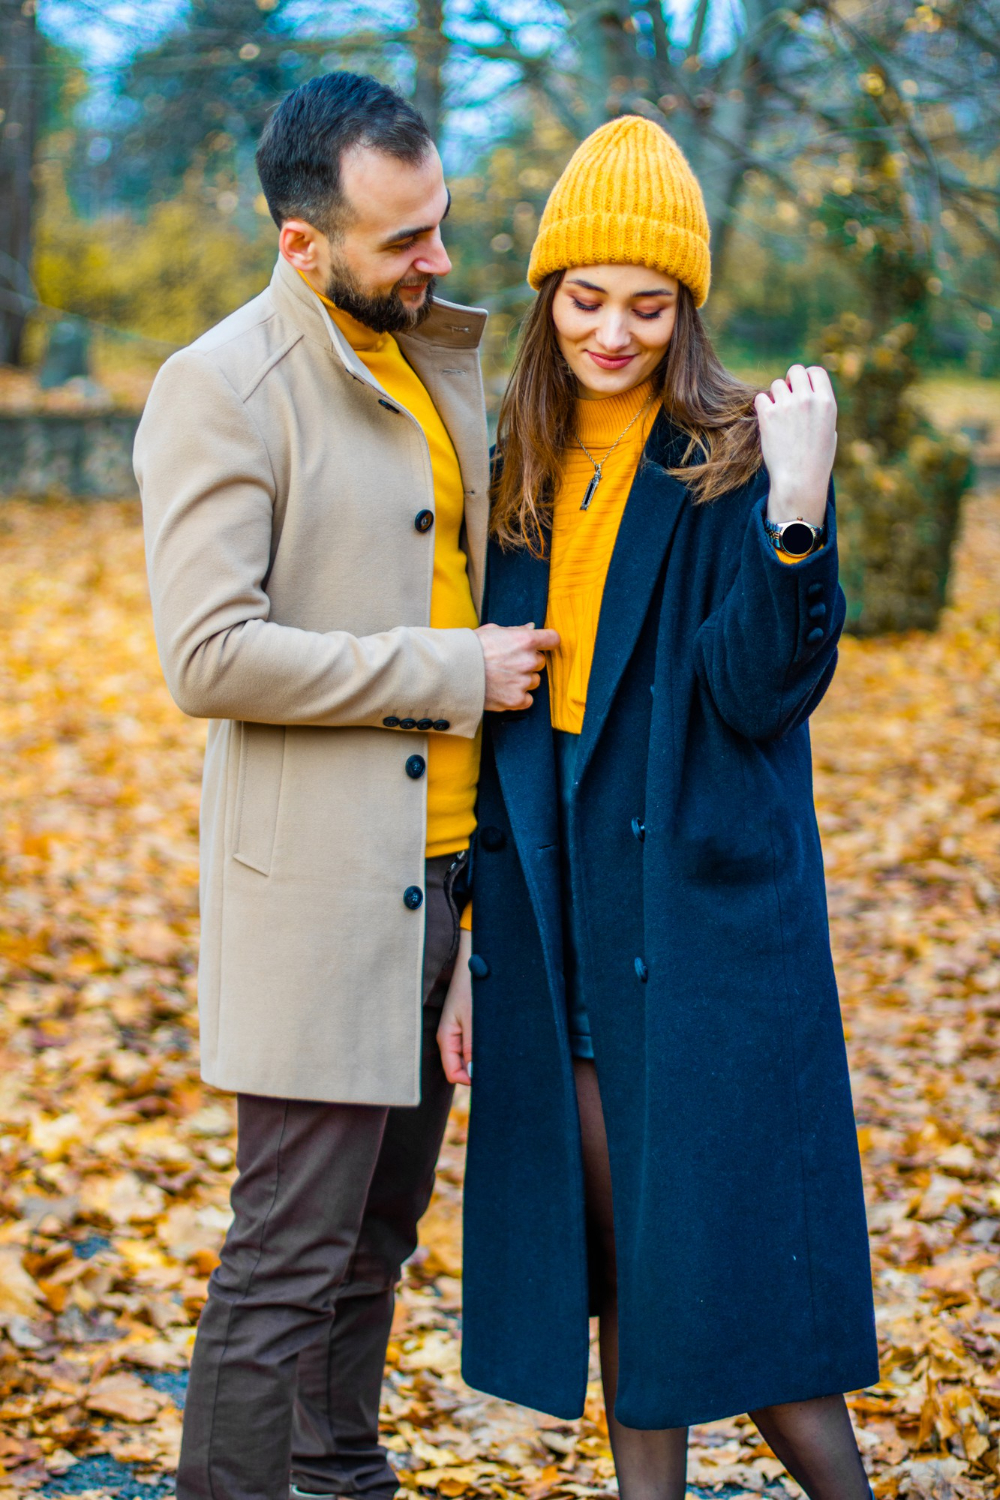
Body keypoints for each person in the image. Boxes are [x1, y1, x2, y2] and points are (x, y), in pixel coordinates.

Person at [438, 116, 879, 1500]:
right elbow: (506, 740)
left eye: (647, 304)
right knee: (630, 1255)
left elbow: (759, 694)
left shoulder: (734, 457)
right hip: (555, 915)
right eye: (584, 298)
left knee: (726, 1271)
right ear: (547, 297)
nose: (612, 332)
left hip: (696, 924)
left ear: (685, 309)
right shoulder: (516, 461)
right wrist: (463, 950)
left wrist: (799, 509)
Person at [135, 71, 555, 1500]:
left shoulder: (428, 362)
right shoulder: (222, 385)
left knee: (376, 1245)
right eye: (402, 239)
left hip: (445, 887)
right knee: (285, 1264)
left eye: (439, 221)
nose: (436, 258)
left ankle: (343, 1481)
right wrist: (448, 669)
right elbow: (207, 654)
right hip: (318, 901)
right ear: (303, 245)